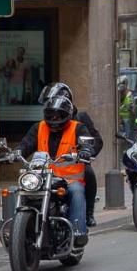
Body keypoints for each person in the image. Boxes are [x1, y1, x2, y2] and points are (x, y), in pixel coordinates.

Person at [19, 96, 92, 246]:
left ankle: (78, 232)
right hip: (42, 177)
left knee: (77, 191)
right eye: (51, 114)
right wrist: (16, 152)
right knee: (18, 190)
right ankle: (14, 230)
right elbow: (26, 144)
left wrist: (85, 150)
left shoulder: (78, 128)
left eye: (59, 115)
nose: (54, 118)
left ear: (68, 115)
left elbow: (88, 143)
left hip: (69, 180)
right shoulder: (38, 127)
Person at [31, 82, 103, 226]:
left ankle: (88, 213)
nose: (52, 111)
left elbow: (96, 140)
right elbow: (29, 142)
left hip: (73, 166)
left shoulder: (80, 119)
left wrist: (87, 153)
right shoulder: (41, 125)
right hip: (47, 170)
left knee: (87, 173)